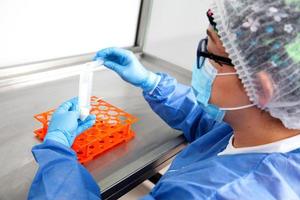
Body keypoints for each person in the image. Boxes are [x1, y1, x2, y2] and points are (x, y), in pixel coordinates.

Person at [29, 0, 300, 199]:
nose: (201, 59)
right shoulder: (274, 133)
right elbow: (210, 124)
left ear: (262, 89)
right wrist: (151, 82)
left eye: (210, 52)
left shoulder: (206, 194)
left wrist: (56, 151)